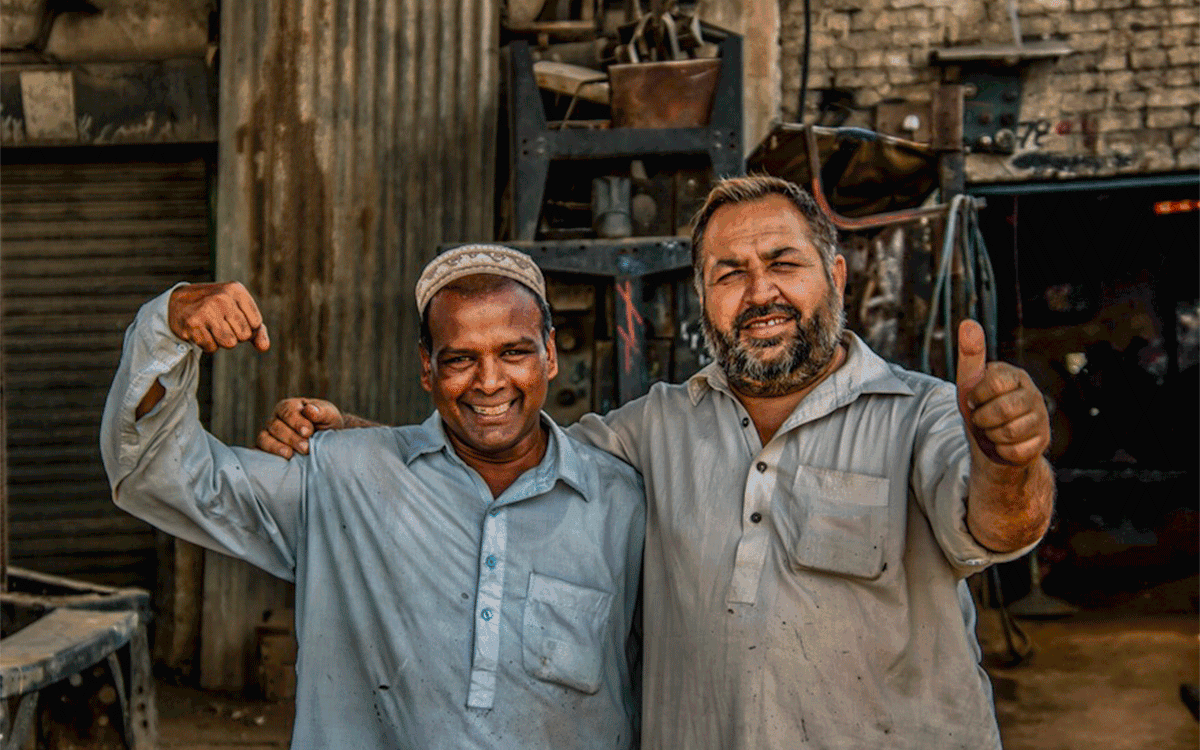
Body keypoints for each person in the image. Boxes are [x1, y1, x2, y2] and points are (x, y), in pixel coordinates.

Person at [259, 176, 1055, 749]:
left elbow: (1000, 521)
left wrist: (1008, 458)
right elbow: (511, 453)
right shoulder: (655, 429)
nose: (760, 292)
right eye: (728, 274)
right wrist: (365, 439)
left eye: (784, 264)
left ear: (834, 276)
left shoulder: (921, 414)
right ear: (700, 297)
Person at [100, 245, 645, 749]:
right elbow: (159, 473)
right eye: (459, 359)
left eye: (514, 352)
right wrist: (164, 327)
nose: (489, 381)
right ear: (426, 368)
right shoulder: (347, 476)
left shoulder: (622, 504)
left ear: (549, 355)